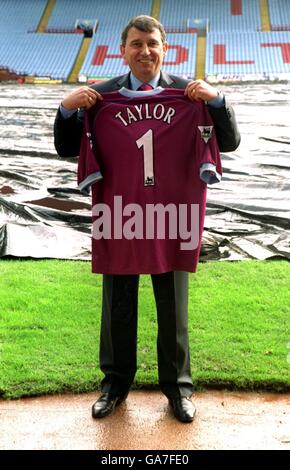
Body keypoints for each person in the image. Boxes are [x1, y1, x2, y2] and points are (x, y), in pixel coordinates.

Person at [54, 15, 240, 423]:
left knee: (173, 304)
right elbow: (67, 149)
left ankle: (178, 390)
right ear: (123, 50)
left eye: (151, 43)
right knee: (117, 303)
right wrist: (67, 109)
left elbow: (229, 142)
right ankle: (114, 386)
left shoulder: (189, 94)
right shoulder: (100, 97)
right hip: (120, 213)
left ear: (164, 47)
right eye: (136, 44)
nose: (145, 51)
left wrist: (217, 101)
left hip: (171, 212)